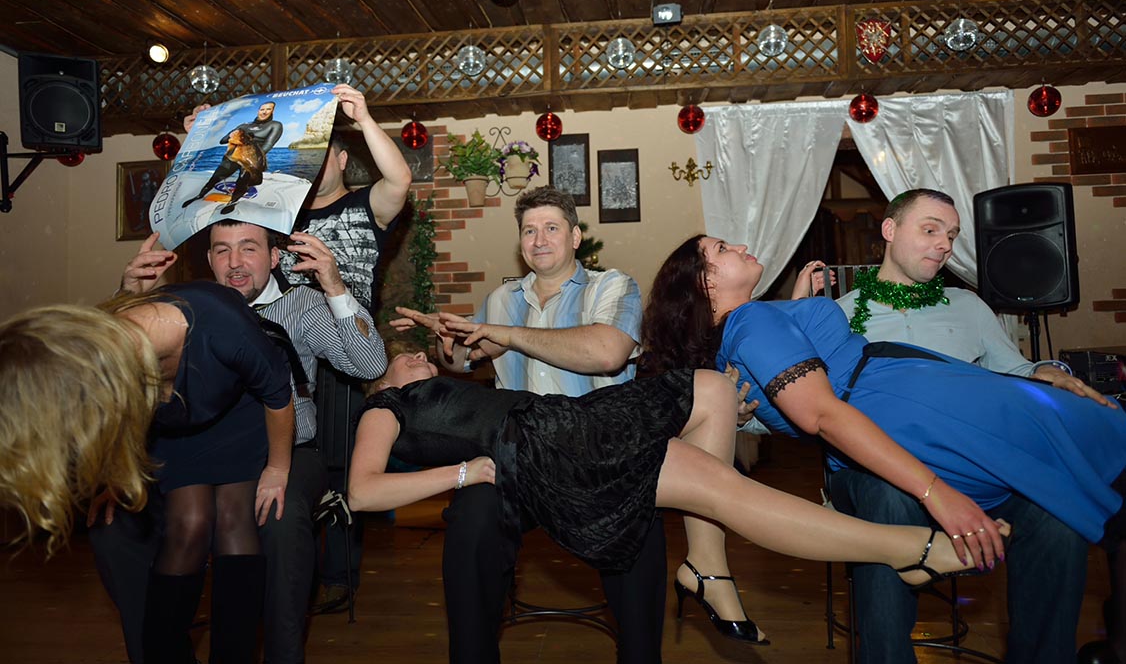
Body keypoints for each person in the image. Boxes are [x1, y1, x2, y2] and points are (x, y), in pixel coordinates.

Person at [346, 352, 1009, 663]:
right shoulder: (386, 407)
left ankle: (707, 561)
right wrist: (464, 473)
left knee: (712, 389)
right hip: (549, 451)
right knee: (730, 491)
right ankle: (910, 549)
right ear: (379, 383)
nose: (414, 355)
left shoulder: (439, 388)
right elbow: (363, 491)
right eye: (402, 359)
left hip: (570, 421)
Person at [642, 235, 1126, 581]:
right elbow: (820, 414)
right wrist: (936, 493)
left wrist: (795, 311)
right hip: (904, 401)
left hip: (895, 404)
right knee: (1077, 433)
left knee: (1061, 449)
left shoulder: (739, 341)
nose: (741, 245)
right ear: (705, 283)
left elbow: (794, 398)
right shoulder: (751, 321)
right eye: (722, 249)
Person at [799, 188, 1100, 664]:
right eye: (930, 230)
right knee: (888, 497)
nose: (944, 244)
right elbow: (797, 405)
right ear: (890, 230)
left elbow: (1015, 371)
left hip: (971, 466)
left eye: (952, 235)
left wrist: (1050, 371)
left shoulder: (968, 306)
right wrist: (747, 408)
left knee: (1057, 509)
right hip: (873, 470)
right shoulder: (837, 315)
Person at [392, 186, 691, 663]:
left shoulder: (612, 286)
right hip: (520, 460)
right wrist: (446, 344)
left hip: (603, 461)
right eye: (529, 231)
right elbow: (465, 358)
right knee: (470, 520)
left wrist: (507, 334)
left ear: (575, 236)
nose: (539, 239)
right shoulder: (502, 298)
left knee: (640, 530)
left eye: (551, 228)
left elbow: (607, 353)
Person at [93, 221, 389, 663]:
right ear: (208, 260)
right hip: (184, 447)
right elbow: (119, 386)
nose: (235, 263)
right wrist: (128, 297)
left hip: (284, 449)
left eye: (249, 249)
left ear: (274, 257)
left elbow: (369, 366)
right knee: (113, 527)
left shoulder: (300, 305)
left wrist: (333, 285)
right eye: (222, 250)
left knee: (276, 517)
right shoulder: (178, 307)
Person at [188, 83, 411, 611]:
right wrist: (203, 136)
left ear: (341, 159)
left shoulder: (364, 205)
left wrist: (364, 119)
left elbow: (400, 179)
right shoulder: (276, 213)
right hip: (282, 344)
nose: (312, 164)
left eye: (322, 154)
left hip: (347, 340)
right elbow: (219, 205)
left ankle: (338, 573)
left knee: (342, 465)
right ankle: (290, 568)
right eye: (305, 155)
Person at [0, 283, 295, 664]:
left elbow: (278, 395)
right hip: (172, 428)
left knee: (233, 518)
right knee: (190, 522)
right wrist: (117, 480)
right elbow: (122, 423)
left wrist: (278, 467)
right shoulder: (106, 354)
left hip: (237, 413)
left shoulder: (224, 327)